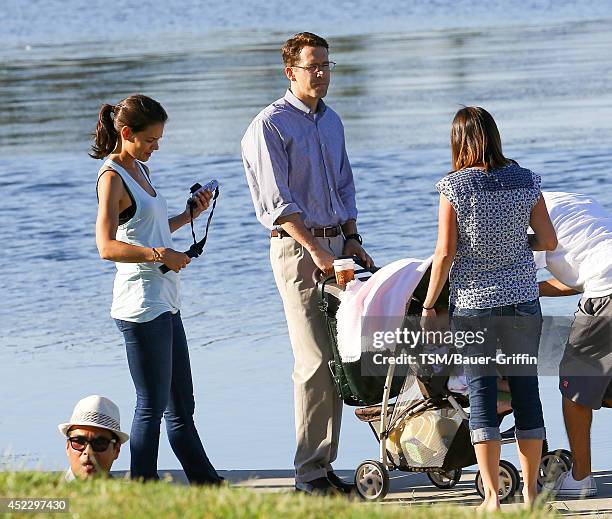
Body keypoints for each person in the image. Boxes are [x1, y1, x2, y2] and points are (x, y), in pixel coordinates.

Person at [241, 32, 372, 495]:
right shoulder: (269, 126)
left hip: (337, 246)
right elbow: (276, 203)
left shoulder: (332, 121)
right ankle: (308, 471)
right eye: (312, 66)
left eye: (326, 65)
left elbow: (344, 183)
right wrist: (316, 249)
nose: (321, 74)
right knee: (314, 360)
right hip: (297, 250)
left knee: (343, 358)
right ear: (290, 72)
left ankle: (324, 464)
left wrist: (351, 239)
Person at [421, 106, 557, 511]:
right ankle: (533, 495)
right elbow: (548, 240)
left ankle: (493, 498)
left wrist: (429, 305)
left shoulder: (454, 188)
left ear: (458, 142)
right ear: (495, 137)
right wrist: (516, 244)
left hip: (475, 304)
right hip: (521, 301)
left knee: (481, 396)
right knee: (526, 392)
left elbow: (445, 254)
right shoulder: (526, 180)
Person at [92, 94, 221, 484]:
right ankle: (142, 487)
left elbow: (151, 227)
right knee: (151, 406)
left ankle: (207, 486)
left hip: (165, 302)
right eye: (150, 140)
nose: (156, 146)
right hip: (139, 308)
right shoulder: (113, 176)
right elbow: (106, 247)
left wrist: (189, 215)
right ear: (127, 133)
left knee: (182, 406)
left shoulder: (140, 169)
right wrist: (158, 253)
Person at [536, 191, 612, 497]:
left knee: (574, 388)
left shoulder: (521, 218)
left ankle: (581, 478)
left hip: (605, 292)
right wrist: (536, 288)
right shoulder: (572, 200)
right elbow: (579, 277)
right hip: (603, 284)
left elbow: (508, 280)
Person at [58, 395, 128, 481]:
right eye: (79, 442)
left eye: (99, 443)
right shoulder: (47, 492)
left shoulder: (126, 494)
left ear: (116, 450)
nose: (88, 452)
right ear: (67, 446)